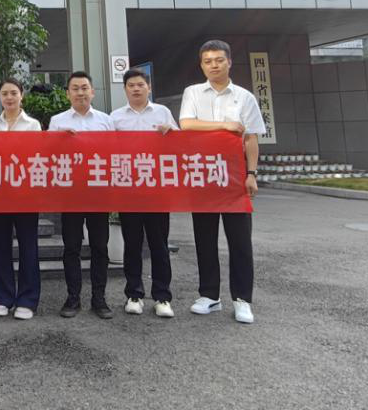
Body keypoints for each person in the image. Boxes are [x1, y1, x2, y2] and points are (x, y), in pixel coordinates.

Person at [179, 39, 264, 325]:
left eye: (218, 60)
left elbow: (251, 138)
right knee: (204, 238)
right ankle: (209, 295)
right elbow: (187, 124)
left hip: (235, 178)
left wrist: (252, 174)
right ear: (202, 65)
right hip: (202, 175)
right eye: (208, 61)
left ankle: (242, 299)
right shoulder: (193, 92)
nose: (213, 65)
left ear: (229, 61)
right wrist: (225, 125)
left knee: (240, 240)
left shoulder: (244, 97)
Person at [108, 68, 178, 319]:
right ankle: (134, 294)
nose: (136, 89)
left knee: (159, 245)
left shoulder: (163, 113)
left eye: (140, 84)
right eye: (131, 85)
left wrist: (171, 133)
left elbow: (180, 144)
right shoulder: (115, 118)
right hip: (129, 189)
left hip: (157, 189)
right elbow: (106, 149)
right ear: (125, 89)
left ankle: (162, 296)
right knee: (132, 244)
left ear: (149, 87)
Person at [49, 71, 114, 319]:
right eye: (75, 88)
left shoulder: (106, 121)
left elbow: (115, 153)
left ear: (93, 92)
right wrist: (60, 141)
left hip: (98, 192)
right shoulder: (57, 121)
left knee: (100, 246)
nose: (80, 92)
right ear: (67, 94)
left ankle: (99, 298)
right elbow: (48, 155)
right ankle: (72, 297)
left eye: (84, 88)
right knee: (72, 247)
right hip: (71, 193)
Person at [0, 78, 42, 321]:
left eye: (13, 93)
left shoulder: (33, 125)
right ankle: (2, 298)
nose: (9, 97)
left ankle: (27, 300)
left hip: (26, 196)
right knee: (1, 247)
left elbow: (36, 156)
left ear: (22, 96)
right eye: (4, 93)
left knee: (28, 247)